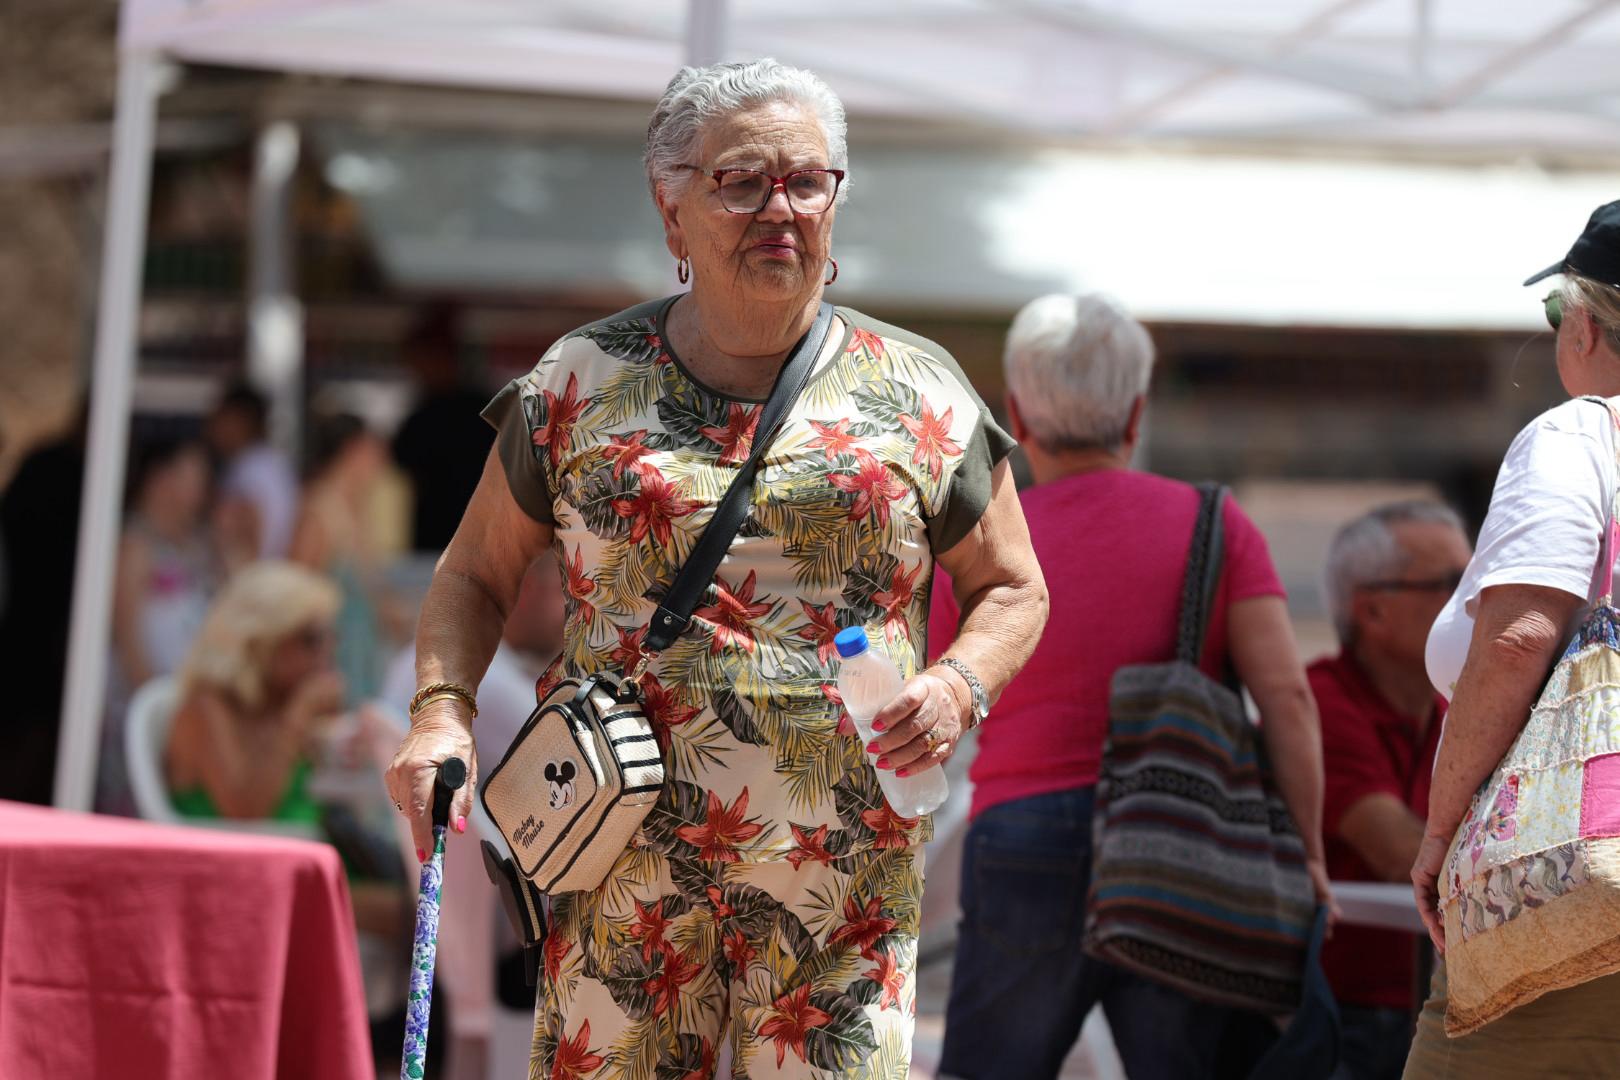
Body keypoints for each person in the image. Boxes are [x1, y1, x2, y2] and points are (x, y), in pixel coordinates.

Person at [385, 58, 1048, 1078]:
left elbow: (1014, 585)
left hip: (841, 897)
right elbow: (475, 574)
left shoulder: (925, 394)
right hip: (618, 880)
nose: (779, 208)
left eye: (807, 181)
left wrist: (960, 685)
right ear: (672, 209)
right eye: (743, 181)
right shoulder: (578, 383)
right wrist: (441, 716)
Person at [929, 293, 1330, 1080]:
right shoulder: (1214, 524)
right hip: (1178, 844)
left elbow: (937, 689)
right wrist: (1309, 853)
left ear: (1017, 412)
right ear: (1138, 412)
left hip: (1019, 838)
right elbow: (1286, 698)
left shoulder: (983, 547)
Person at [1408, 203, 1620, 1075]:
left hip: (1576, 881)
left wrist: (1438, 840)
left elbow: (1516, 638)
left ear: (1583, 324)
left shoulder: (1582, 435)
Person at [1311, 503, 1471, 1080]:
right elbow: (1401, 853)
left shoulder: (1461, 709)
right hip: (1343, 1017)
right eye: (1452, 583)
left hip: (1438, 1006)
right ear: (1372, 610)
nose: (1477, 599)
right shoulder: (1321, 703)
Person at [166, 561, 345, 824]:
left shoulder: (277, 703)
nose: (325, 652)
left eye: (331, 637)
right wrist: (295, 721)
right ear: (261, 643)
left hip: (304, 853)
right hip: (234, 860)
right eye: (311, 639)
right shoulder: (207, 707)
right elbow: (246, 813)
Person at [104, 437, 216, 813]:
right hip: (140, 699)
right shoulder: (136, 543)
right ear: (159, 478)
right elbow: (126, 633)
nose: (199, 489)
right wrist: (148, 695)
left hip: (177, 700)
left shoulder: (193, 541)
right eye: (191, 477)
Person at [292, 412, 391, 703]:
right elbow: (296, 597)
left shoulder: (356, 510)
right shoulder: (320, 513)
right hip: (333, 667)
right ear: (353, 449)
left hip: (358, 663)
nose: (381, 462)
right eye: (375, 450)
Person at [390, 305, 495, 553]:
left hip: (454, 540)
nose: (414, 368)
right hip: (459, 542)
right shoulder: (487, 408)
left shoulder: (434, 415)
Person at [207, 382, 299, 568]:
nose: (212, 427)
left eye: (220, 417)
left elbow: (247, 534)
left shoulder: (248, 468)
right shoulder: (274, 463)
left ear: (240, 420)